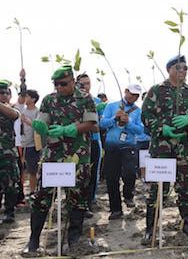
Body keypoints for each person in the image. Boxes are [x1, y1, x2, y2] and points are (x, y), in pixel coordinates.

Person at [24, 66, 98, 254]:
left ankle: (73, 241)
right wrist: (40, 126)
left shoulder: (85, 99)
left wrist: (70, 129)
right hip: (53, 157)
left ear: (72, 81)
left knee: (77, 198)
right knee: (41, 197)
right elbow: (44, 121)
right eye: (56, 84)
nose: (59, 87)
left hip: (77, 157)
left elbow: (91, 123)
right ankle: (33, 241)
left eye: (63, 84)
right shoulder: (50, 100)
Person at [141, 55, 188, 244]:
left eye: (185, 68)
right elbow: (146, 115)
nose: (183, 71)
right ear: (169, 69)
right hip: (162, 150)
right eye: (179, 68)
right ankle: (151, 228)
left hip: (185, 150)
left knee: (186, 189)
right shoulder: (156, 91)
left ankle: (187, 226)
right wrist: (162, 128)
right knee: (157, 190)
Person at [100, 84, 144, 219]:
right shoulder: (112, 106)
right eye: (131, 93)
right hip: (111, 147)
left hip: (128, 146)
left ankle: (128, 195)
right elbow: (102, 124)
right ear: (125, 91)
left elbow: (140, 130)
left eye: (136, 95)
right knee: (112, 178)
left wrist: (128, 122)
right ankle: (115, 209)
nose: (133, 97)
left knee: (130, 173)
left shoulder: (137, 111)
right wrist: (115, 118)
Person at [76, 73, 103, 218]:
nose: (85, 86)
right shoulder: (73, 101)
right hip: (76, 143)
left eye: (88, 83)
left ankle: (88, 202)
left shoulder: (97, 101)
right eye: (82, 84)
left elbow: (98, 126)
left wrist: (83, 124)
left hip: (93, 141)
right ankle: (74, 202)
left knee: (91, 174)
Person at [0, 80, 21, 224]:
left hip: (7, 152)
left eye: (6, 93)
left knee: (9, 183)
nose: (4, 95)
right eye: (1, 93)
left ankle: (9, 211)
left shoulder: (11, 108)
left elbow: (14, 115)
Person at [19, 89, 40, 196]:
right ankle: (20, 193)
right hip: (20, 144)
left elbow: (39, 126)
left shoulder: (38, 112)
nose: (25, 98)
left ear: (33, 99)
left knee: (32, 171)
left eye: (27, 96)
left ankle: (33, 191)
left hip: (32, 145)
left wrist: (27, 121)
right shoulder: (22, 110)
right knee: (20, 170)